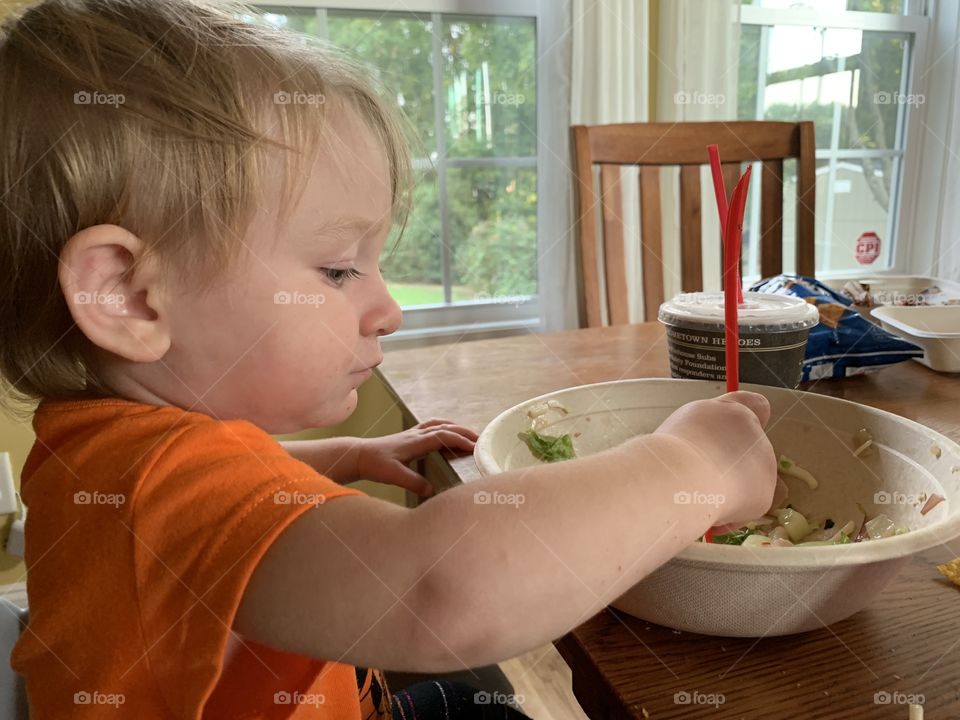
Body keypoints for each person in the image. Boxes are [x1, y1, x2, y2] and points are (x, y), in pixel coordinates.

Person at [0, 1, 778, 717]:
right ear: (130, 297)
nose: (388, 310)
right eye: (338, 270)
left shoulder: (102, 448)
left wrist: (343, 456)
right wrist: (693, 466)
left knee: (482, 702)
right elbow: (441, 592)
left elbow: (223, 500)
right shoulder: (156, 483)